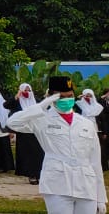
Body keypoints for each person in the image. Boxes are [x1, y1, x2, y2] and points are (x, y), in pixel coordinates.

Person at [7, 76, 108, 214]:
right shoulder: (42, 119)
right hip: (57, 184)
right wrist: (43, 104)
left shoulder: (86, 123)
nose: (67, 100)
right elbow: (12, 123)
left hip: (86, 184)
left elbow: (95, 162)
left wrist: (101, 198)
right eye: (62, 97)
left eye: (70, 96)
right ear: (51, 97)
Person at [9, 82, 45, 184]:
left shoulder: (36, 101)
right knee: (27, 154)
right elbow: (6, 105)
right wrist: (17, 96)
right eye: (25, 90)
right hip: (24, 132)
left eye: (29, 90)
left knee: (38, 153)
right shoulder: (17, 102)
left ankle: (39, 174)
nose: (27, 92)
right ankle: (31, 175)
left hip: (36, 131)